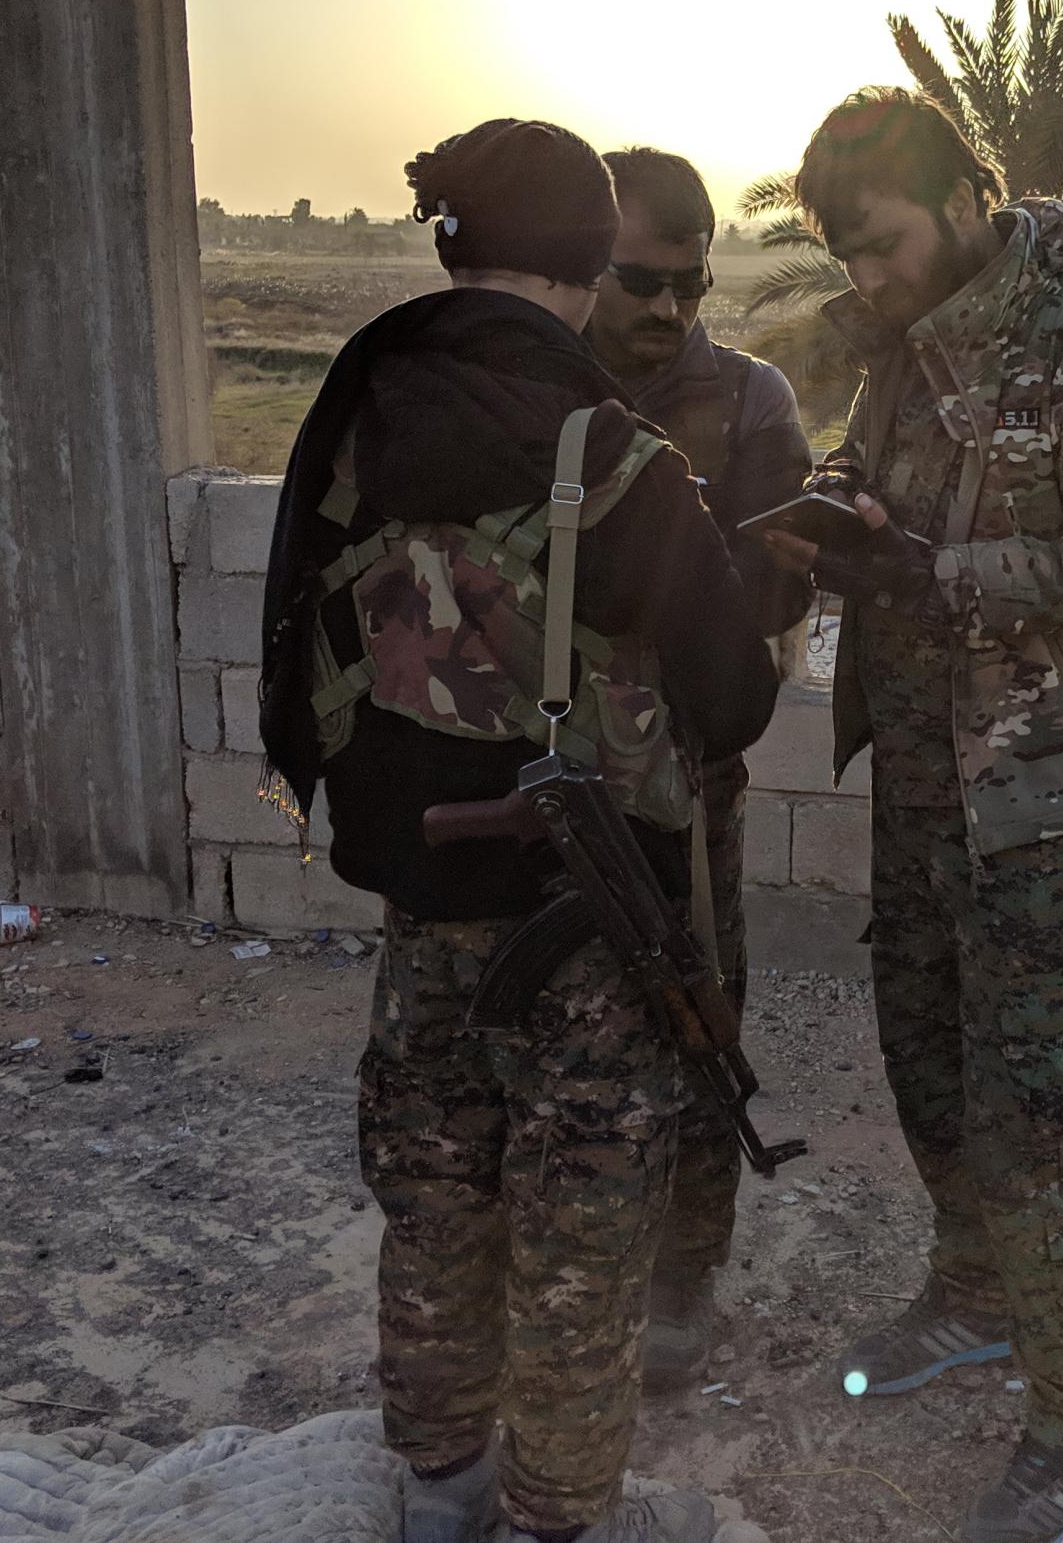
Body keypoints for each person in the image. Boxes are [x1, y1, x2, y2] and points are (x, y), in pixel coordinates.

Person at [257, 117, 779, 1543]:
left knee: (433, 1204)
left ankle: (438, 1495)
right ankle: (556, 1517)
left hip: (422, 913)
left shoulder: (356, 415)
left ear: (451, 244)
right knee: (578, 1244)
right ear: (594, 258)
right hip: (587, 940)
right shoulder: (613, 450)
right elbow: (731, 703)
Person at [759, 88, 1063, 1543]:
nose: (865, 277)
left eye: (878, 243)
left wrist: (940, 572)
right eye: (845, 258)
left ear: (959, 196)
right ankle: (973, 1291)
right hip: (919, 770)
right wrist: (836, 504)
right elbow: (872, 474)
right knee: (924, 1046)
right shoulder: (901, 349)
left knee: (1035, 1102)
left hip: (1036, 784)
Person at [583, 145, 815, 1385]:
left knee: (693, 1005)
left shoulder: (748, 399)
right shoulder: (530, 383)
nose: (669, 310)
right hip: (547, 773)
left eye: (691, 282)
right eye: (637, 279)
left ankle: (683, 1275)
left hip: (685, 767)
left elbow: (776, 595)